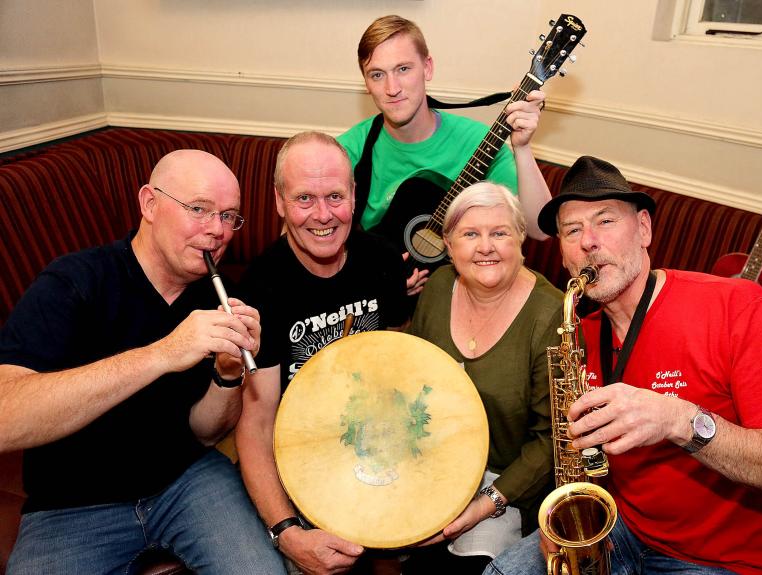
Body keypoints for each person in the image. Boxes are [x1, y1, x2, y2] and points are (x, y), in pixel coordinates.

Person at [485, 156, 762, 575]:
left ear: (644, 229)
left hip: (726, 560)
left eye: (605, 221)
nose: (588, 241)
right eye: (572, 230)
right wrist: (571, 520)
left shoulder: (737, 306)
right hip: (618, 532)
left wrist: (680, 420)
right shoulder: (578, 333)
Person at [0, 150, 287, 574]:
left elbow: (206, 434)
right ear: (150, 204)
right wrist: (163, 353)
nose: (217, 231)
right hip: (71, 506)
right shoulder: (74, 282)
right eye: (199, 209)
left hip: (188, 480)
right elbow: (6, 420)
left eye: (230, 216)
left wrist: (227, 375)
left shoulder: (219, 296)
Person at [235, 131, 410, 574]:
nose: (323, 215)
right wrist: (288, 533)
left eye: (335, 196)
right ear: (278, 202)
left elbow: (398, 361)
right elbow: (256, 424)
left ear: (354, 195)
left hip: (374, 437)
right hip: (300, 451)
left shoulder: (384, 260)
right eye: (304, 199)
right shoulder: (259, 288)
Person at [403, 182, 564, 574]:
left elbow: (550, 441)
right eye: (470, 234)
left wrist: (484, 504)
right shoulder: (439, 287)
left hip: (506, 482)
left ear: (521, 239)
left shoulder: (551, 315)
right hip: (432, 463)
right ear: (448, 242)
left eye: (499, 233)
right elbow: (413, 381)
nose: (485, 247)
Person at [337, 15, 554, 295]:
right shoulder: (349, 149)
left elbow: (540, 230)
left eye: (403, 69)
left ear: (427, 68)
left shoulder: (481, 142)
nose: (392, 88)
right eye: (377, 74)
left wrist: (522, 148)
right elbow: (297, 233)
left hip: (460, 298)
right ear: (366, 82)